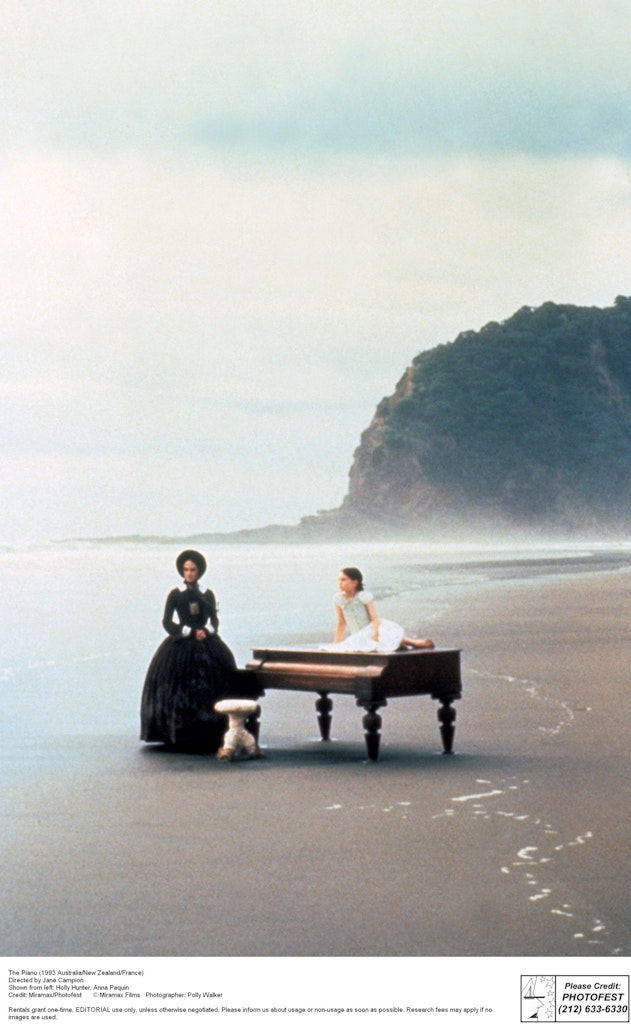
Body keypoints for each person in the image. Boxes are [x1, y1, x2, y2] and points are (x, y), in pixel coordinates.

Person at [140, 550, 251, 751]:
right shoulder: (175, 593)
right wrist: (189, 632)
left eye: (193, 570)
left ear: (199, 571)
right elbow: (166, 621)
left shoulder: (207, 593)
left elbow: (214, 620)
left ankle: (212, 732)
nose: (189, 574)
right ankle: (180, 735)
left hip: (207, 641)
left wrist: (207, 631)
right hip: (181, 643)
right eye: (186, 570)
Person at [326, 566, 435, 653]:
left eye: (343, 580)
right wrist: (336, 643)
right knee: (356, 646)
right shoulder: (338, 599)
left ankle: (413, 642)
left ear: (355, 582)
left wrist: (376, 634)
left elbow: (374, 618)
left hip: (372, 628)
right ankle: (400, 644)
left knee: (384, 637)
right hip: (358, 634)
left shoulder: (364, 596)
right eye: (338, 580)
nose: (340, 583)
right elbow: (341, 622)